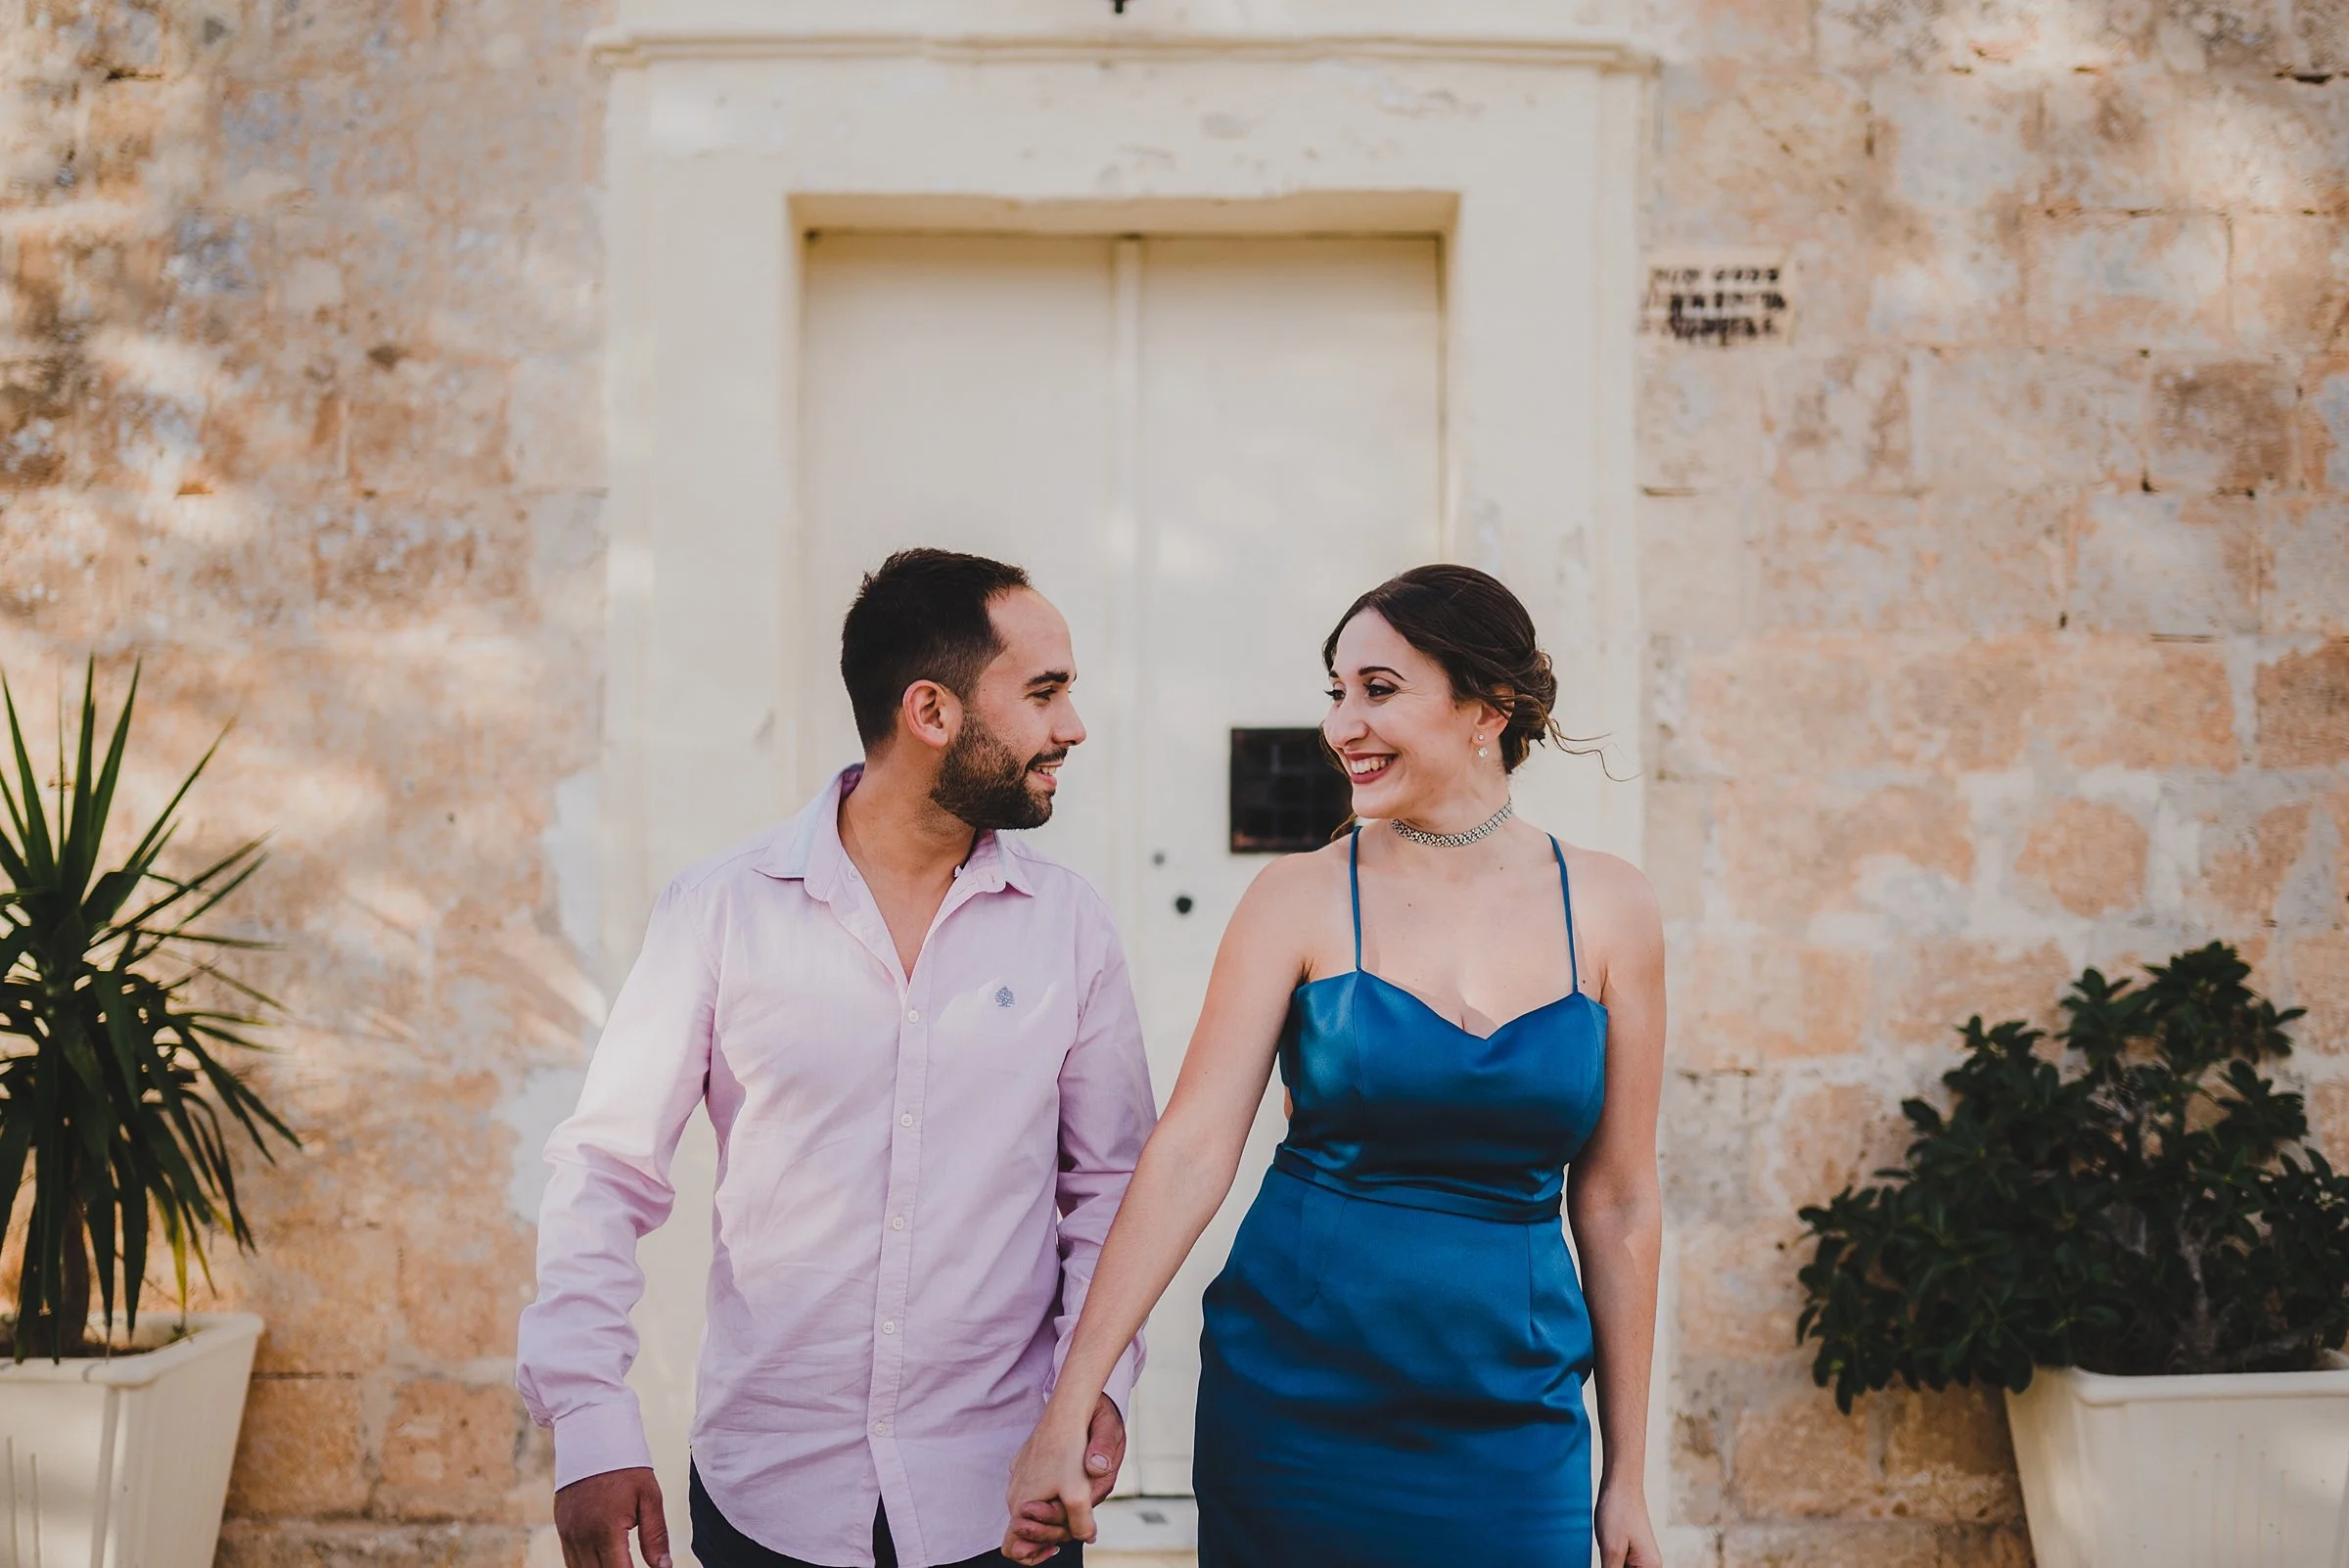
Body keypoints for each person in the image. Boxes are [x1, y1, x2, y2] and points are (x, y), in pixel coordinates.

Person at [1000, 565, 1666, 1568]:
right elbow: (1190, 1153)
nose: (1342, 724)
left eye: (1379, 690)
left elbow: (1618, 1203)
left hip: (1514, 1418)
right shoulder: (1297, 897)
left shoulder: (1613, 908)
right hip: (1294, 1413)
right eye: (1337, 691)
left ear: (1489, 708)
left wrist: (1627, 1478)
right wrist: (1071, 1400)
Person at [517, 549, 1158, 1568]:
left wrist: (1096, 1387)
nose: (1072, 726)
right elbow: (606, 1171)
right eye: (1044, 693)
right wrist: (590, 1422)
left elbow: (1113, 1187)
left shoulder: (1070, 926)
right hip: (769, 1496)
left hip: (1005, 1496)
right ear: (931, 711)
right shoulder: (720, 911)